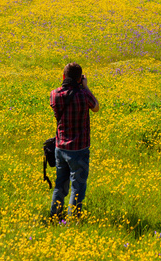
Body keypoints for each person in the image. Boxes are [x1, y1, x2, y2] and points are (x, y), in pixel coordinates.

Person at [49, 62, 99, 220]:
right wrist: (85, 87)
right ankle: (73, 220)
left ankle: (55, 216)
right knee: (78, 186)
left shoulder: (54, 94)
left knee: (60, 184)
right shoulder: (83, 94)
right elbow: (96, 106)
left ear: (63, 77)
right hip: (79, 148)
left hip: (60, 146)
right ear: (80, 79)